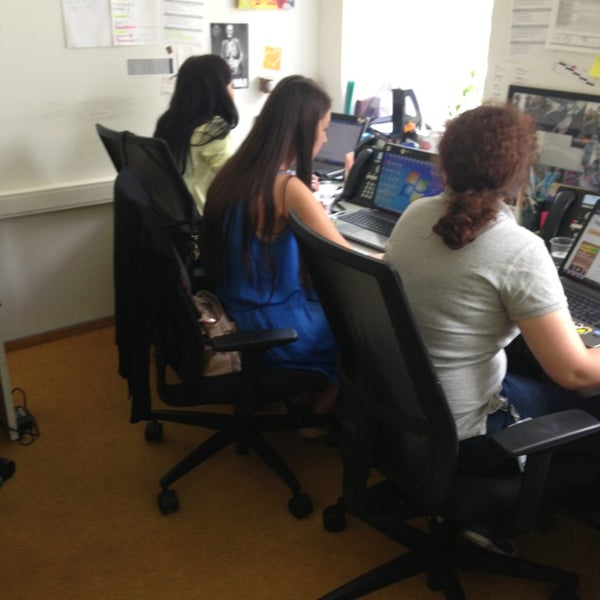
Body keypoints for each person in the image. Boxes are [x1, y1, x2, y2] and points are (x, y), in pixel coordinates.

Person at [384, 102, 600, 551]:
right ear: (520, 174)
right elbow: (575, 372)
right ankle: (500, 517)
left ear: (445, 163)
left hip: (405, 411)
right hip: (466, 433)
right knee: (587, 404)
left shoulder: (415, 214)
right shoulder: (518, 248)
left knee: (528, 373)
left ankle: (491, 510)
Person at [202, 75, 352, 430]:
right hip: (274, 326)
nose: (325, 139)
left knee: (326, 300)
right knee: (362, 330)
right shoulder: (285, 187)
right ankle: (319, 414)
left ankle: (301, 396)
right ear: (304, 130)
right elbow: (349, 260)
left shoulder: (235, 172)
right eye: (324, 129)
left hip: (238, 312)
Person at [154, 54, 239, 214]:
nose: (232, 91)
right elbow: (235, 181)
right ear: (218, 91)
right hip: (202, 220)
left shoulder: (168, 122)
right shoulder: (212, 129)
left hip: (171, 217)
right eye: (231, 85)